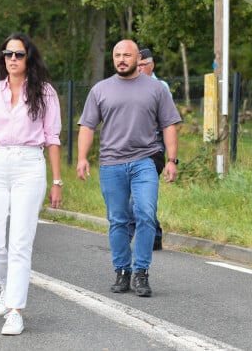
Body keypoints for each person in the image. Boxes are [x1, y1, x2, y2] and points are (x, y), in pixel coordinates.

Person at [0, 32, 63, 336]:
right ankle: (6, 285)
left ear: (28, 57)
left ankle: (16, 310)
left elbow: (53, 138)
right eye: (8, 54)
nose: (12, 59)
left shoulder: (44, 92)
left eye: (18, 54)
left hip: (30, 164)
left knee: (20, 240)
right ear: (2, 58)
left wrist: (57, 181)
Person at [76, 39, 181, 297]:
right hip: (111, 163)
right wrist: (82, 157)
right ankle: (122, 271)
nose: (121, 59)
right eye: (117, 55)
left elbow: (169, 124)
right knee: (118, 219)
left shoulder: (156, 88)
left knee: (145, 213)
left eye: (127, 55)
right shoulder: (100, 90)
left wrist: (171, 160)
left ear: (138, 59)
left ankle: (141, 272)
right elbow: (88, 126)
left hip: (144, 160)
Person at [127, 47, 173, 250]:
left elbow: (168, 121)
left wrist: (172, 158)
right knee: (141, 194)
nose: (137, 69)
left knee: (137, 195)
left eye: (141, 66)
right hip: (130, 147)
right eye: (135, 66)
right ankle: (154, 234)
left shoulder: (160, 87)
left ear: (151, 65)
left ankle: (125, 236)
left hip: (153, 148)